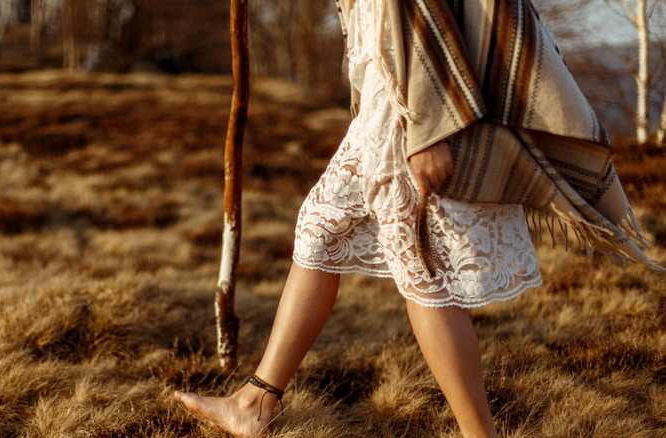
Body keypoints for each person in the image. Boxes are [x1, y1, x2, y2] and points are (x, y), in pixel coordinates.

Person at [175, 1, 663, 437]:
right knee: (321, 230)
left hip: (410, 104)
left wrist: (428, 128)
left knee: (421, 263)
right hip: (387, 92)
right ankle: (254, 402)